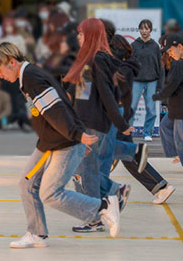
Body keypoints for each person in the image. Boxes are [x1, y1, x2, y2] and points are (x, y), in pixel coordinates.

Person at [0, 42, 121, 247]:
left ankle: (103, 206)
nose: (0, 76)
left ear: (11, 62)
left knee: (50, 193)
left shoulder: (32, 79)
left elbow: (56, 111)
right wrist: (78, 133)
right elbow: (63, 102)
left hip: (63, 144)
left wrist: (77, 135)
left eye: (0, 70)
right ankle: (37, 233)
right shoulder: (28, 77)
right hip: (49, 144)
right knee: (26, 183)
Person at [64, 18, 145, 233]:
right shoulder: (88, 58)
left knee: (86, 171)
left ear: (90, 35)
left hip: (93, 123)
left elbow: (108, 95)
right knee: (86, 170)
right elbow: (82, 93)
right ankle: (112, 195)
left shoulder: (98, 59)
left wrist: (121, 122)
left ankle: (100, 211)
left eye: (81, 33)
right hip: (84, 122)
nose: (78, 37)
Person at [107, 33, 175, 205]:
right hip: (120, 114)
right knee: (124, 155)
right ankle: (159, 186)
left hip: (117, 115)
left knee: (122, 153)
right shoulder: (125, 67)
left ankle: (159, 186)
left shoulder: (118, 68)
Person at [155, 33, 183, 169]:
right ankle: (178, 155)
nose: (167, 51)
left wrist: (158, 96)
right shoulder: (170, 59)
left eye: (168, 48)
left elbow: (176, 83)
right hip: (175, 104)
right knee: (166, 127)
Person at [130, 19, 162, 141]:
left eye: (146, 28)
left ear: (150, 30)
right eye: (142, 28)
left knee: (151, 108)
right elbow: (129, 64)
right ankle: (128, 132)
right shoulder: (134, 45)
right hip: (136, 80)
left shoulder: (155, 46)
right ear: (139, 29)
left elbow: (160, 66)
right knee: (131, 107)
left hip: (152, 80)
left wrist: (160, 84)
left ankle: (147, 132)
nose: (144, 31)